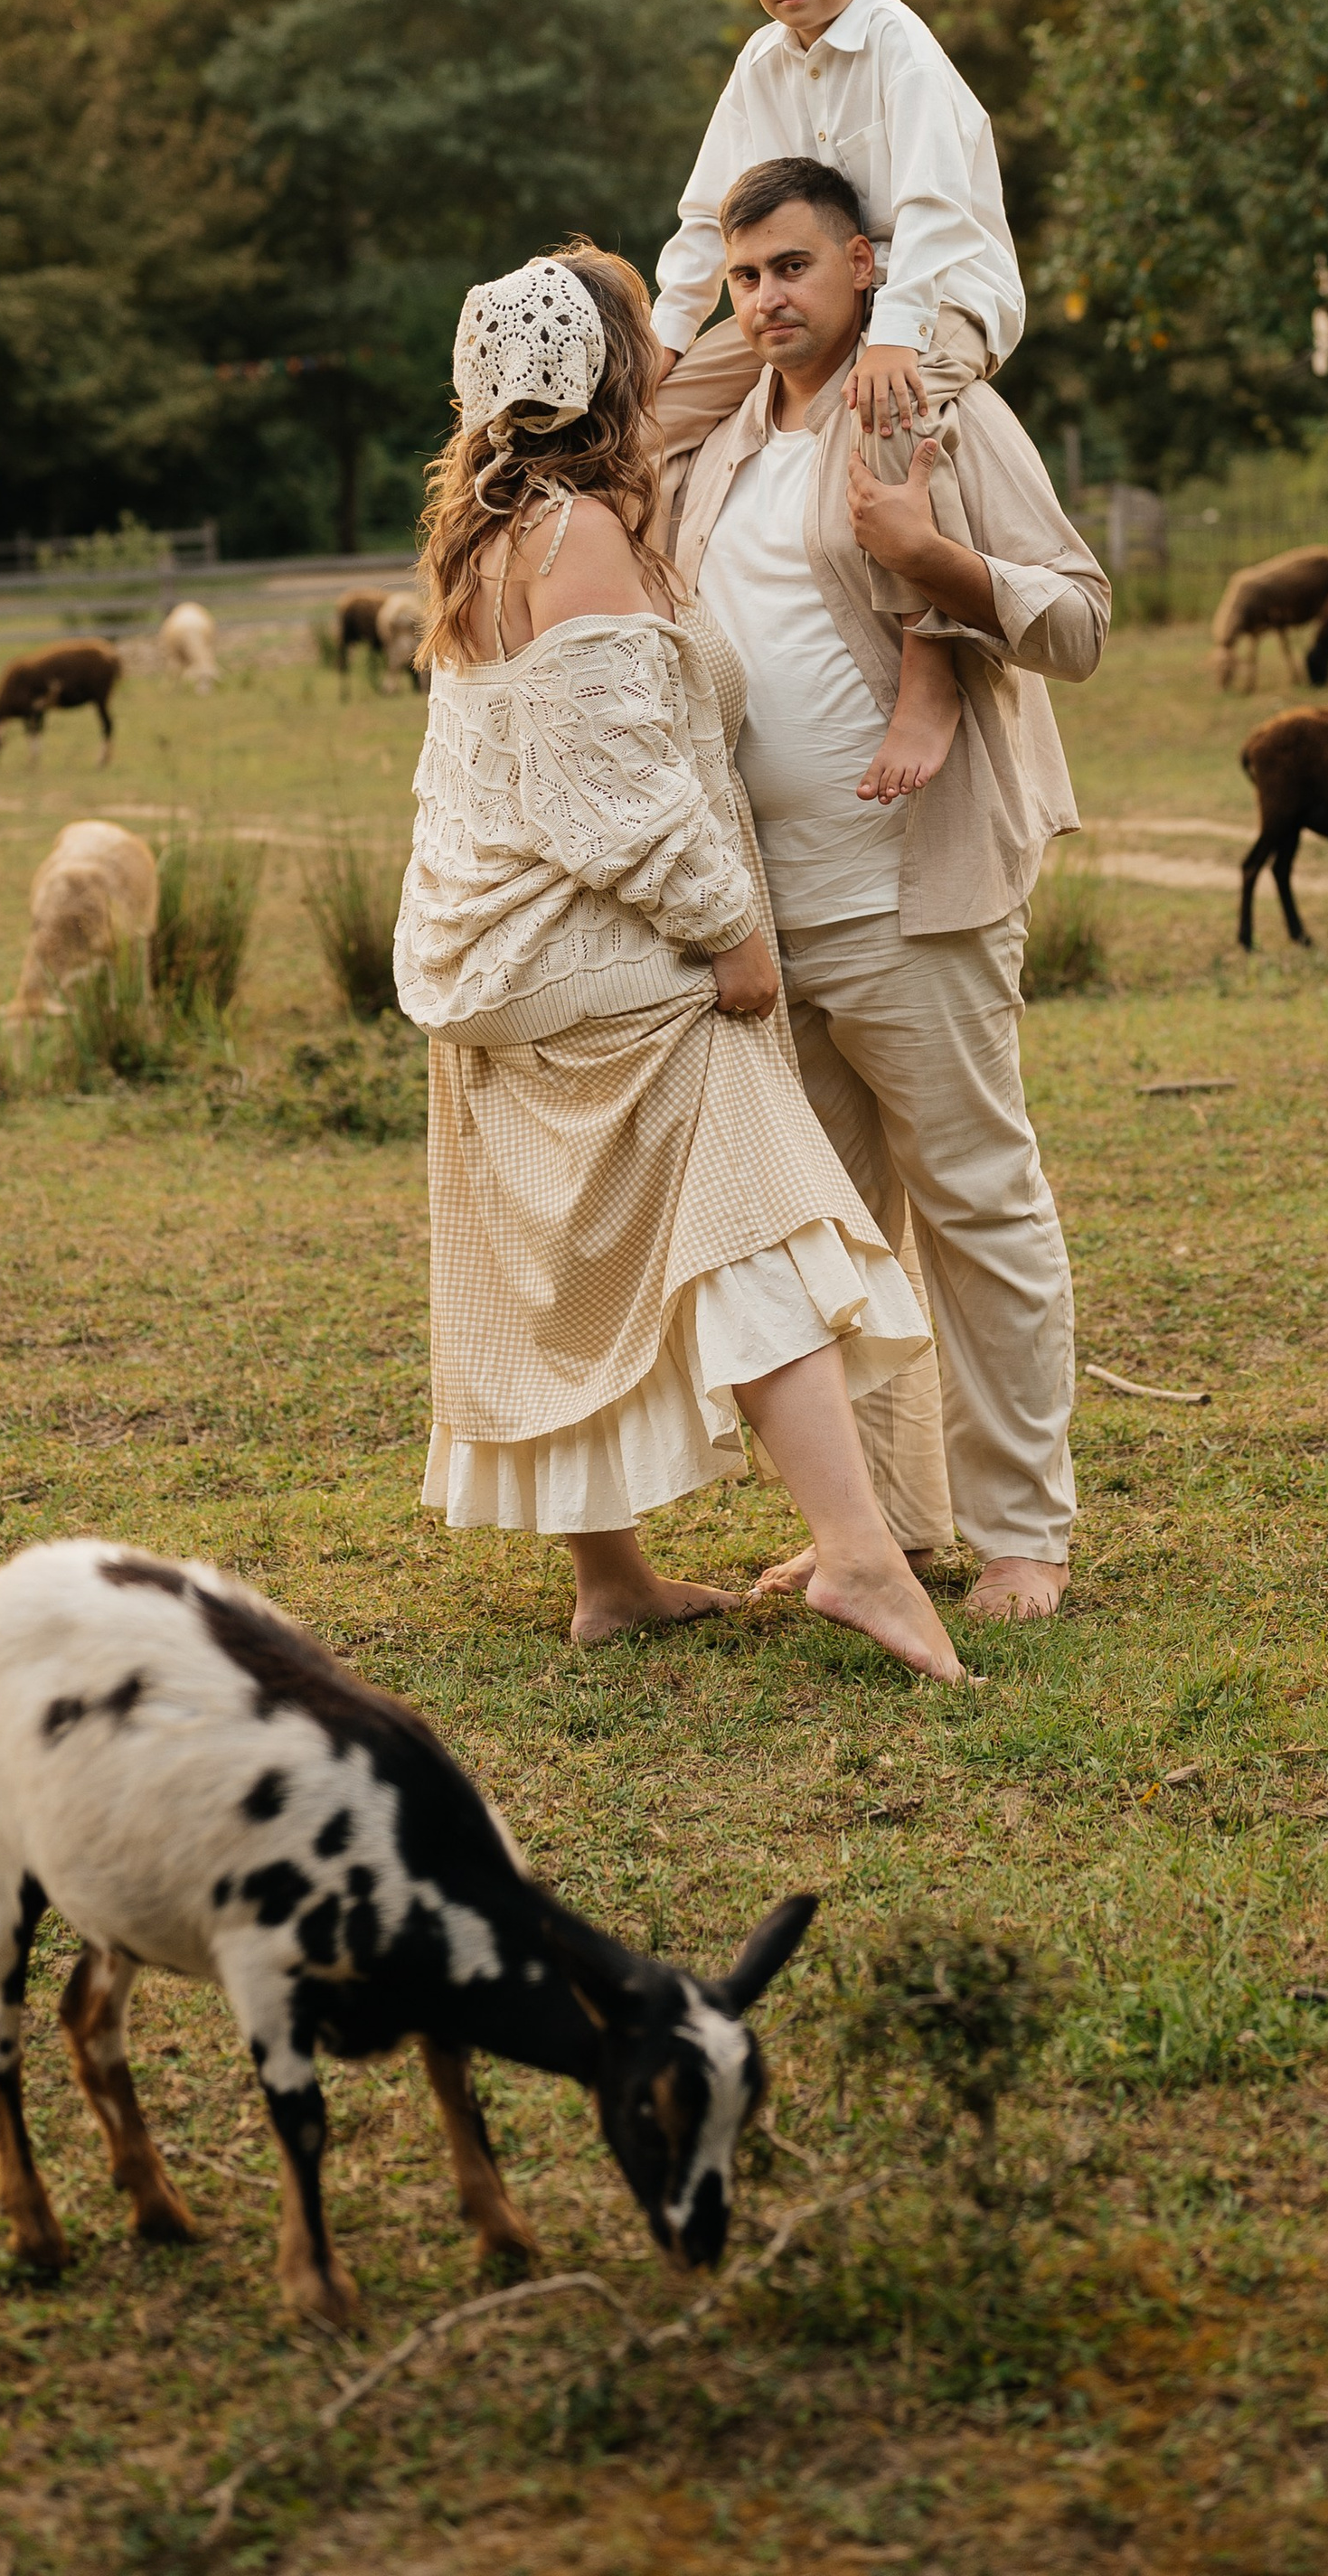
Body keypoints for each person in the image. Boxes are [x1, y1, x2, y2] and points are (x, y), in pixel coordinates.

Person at [393, 240, 963, 1683]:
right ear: (604, 374)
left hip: (489, 947)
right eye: (644, 340)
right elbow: (621, 794)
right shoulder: (573, 533)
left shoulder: (488, 525)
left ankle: (615, 1582)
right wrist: (736, 932)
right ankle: (856, 1553)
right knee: (749, 1215)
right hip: (589, 950)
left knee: (575, 1249)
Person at [673, 155, 1109, 1622]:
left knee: (978, 1204)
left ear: (867, 262)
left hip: (915, 893)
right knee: (833, 1232)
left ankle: (1023, 1535)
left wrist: (939, 558)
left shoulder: (940, 408)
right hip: (766, 922)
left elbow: (1081, 613)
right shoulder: (723, 445)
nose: (764, 298)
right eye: (742, 276)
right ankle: (877, 1526)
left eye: (790, 266)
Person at [651, 0, 1026, 808]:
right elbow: (709, 214)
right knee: (648, 419)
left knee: (885, 408)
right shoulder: (761, 62)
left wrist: (895, 333)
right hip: (807, 284)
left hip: (939, 288)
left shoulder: (901, 49)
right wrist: (663, 335)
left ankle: (929, 665)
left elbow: (938, 208)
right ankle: (647, 636)